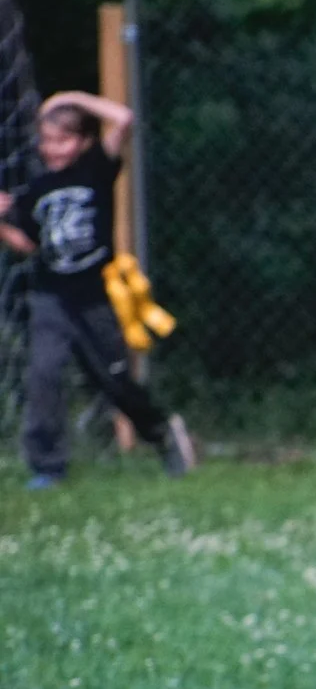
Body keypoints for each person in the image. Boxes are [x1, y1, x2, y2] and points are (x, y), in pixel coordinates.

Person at [0, 92, 193, 488]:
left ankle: (162, 433)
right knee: (44, 375)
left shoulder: (96, 169)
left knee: (113, 380)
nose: (51, 148)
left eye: (62, 139)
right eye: (47, 140)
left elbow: (122, 117)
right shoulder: (38, 189)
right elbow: (27, 244)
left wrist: (67, 99)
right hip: (51, 297)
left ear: (84, 141)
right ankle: (48, 467)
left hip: (95, 298)